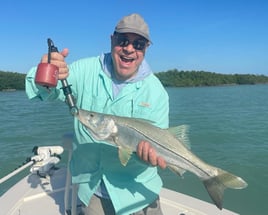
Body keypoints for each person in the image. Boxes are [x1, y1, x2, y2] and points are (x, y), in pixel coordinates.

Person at [25, 13, 169, 215]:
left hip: (138, 193)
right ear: (112, 40)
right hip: (92, 189)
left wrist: (148, 157)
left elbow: (162, 140)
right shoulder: (85, 70)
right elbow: (45, 91)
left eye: (138, 44)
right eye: (123, 41)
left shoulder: (156, 92)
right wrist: (46, 73)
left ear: (146, 49)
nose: (129, 49)